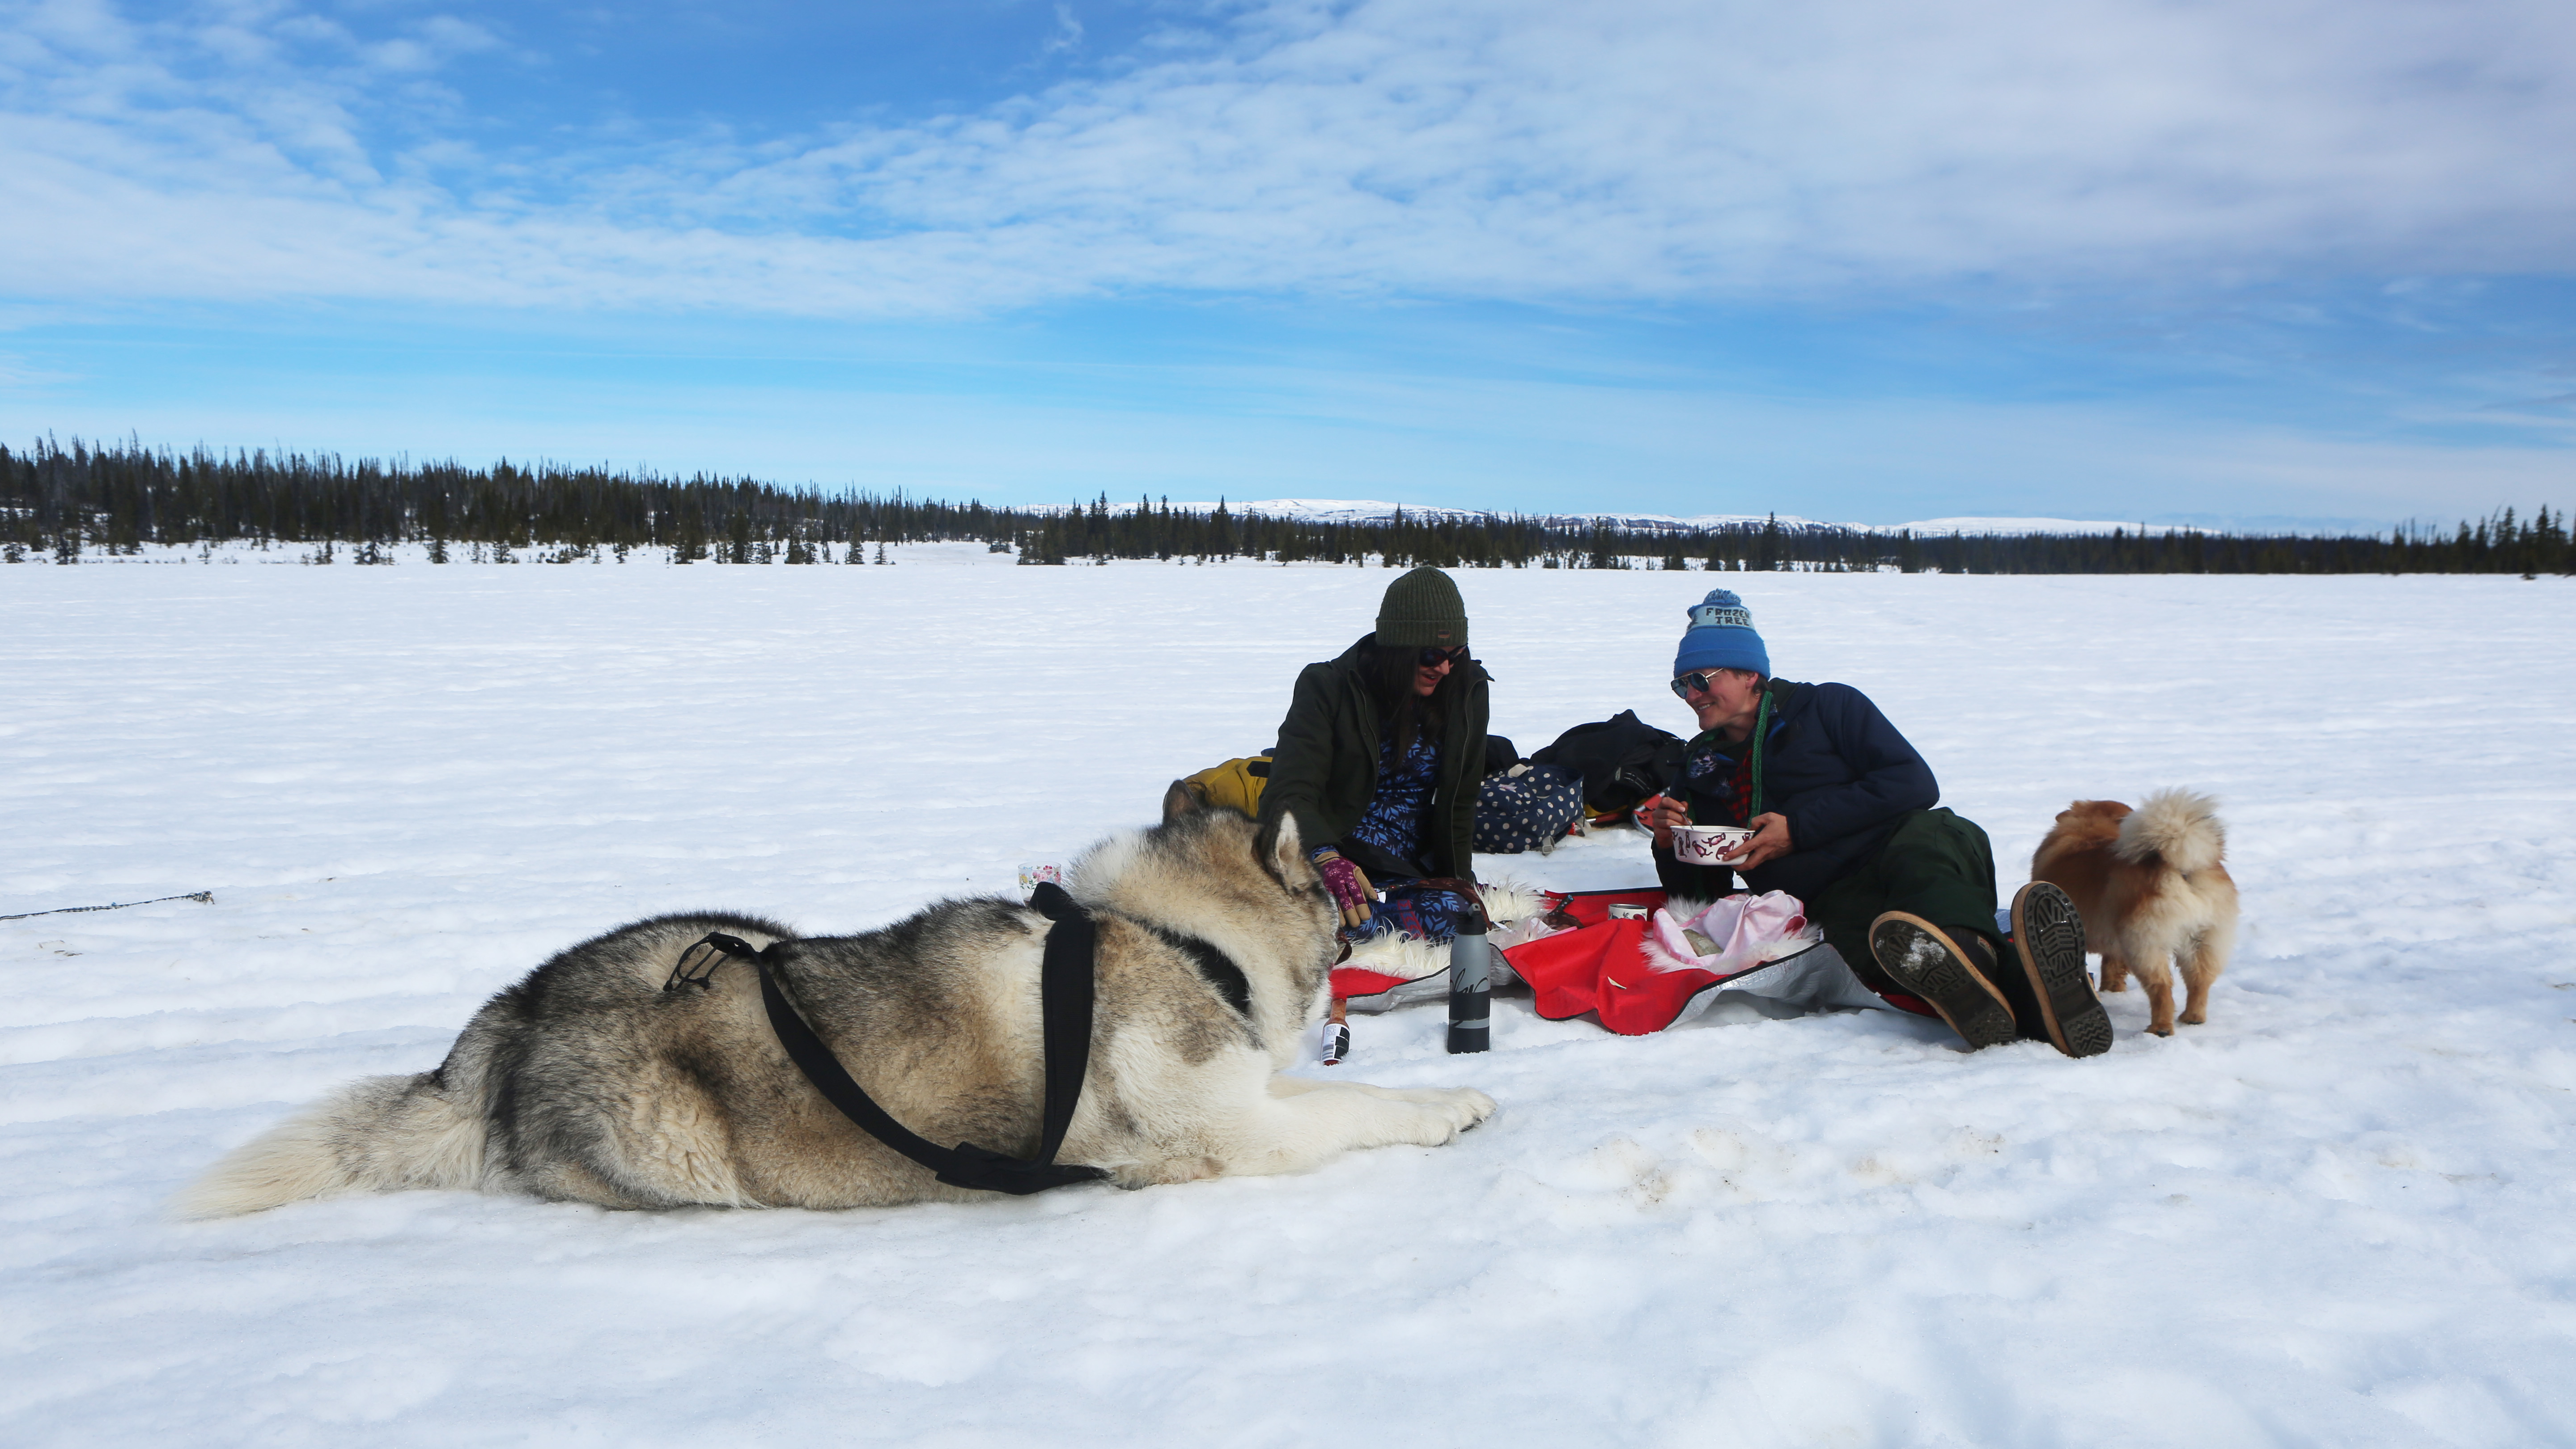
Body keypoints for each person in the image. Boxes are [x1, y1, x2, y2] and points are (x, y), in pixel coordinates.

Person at [1643, 589, 2110, 1057]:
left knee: (1933, 853)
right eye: (1681, 685)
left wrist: (1798, 828)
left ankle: (1960, 958)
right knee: (1879, 947)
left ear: (1749, 674)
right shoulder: (1700, 765)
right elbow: (1703, 898)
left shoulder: (1827, 707)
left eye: (1701, 679)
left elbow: (1913, 782)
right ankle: (2032, 989)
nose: (1692, 695)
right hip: (1828, 898)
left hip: (1902, 847)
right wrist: (1669, 845)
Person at [1259, 567, 1490, 943]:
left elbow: (1461, 801)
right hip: (1339, 855)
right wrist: (1324, 857)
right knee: (1313, 924)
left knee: (1459, 918)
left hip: (1410, 866)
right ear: (1397, 648)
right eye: (1431, 655)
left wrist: (1460, 883)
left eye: (1456, 654)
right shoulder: (1328, 687)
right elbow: (1288, 791)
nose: (1445, 668)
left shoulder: (1466, 689)